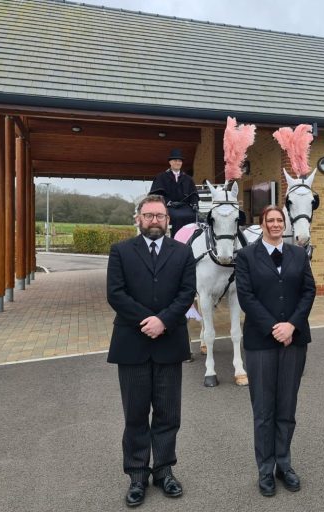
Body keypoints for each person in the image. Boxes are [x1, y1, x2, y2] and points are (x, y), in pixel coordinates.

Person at [106, 194, 197, 507]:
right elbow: (116, 293)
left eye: (160, 216)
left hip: (169, 343)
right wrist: (148, 321)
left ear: (168, 221)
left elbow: (187, 292)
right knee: (135, 415)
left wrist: (164, 321)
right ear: (138, 219)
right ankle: (136, 475)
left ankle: (164, 471)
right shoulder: (120, 251)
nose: (154, 220)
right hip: (132, 343)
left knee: (168, 414)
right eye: (148, 215)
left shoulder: (183, 252)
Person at [235, 205, 316, 497]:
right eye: (270, 220)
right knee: (263, 410)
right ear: (263, 224)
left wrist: (292, 325)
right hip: (261, 342)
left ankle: (284, 463)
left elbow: (309, 291)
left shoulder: (298, 254)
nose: (275, 224)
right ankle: (265, 469)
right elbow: (246, 296)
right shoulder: (246, 256)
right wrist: (274, 327)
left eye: (279, 220)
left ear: (285, 224)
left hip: (294, 340)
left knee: (287, 408)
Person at [150, 149, 199, 237]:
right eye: (175, 160)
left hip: (185, 206)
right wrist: (168, 202)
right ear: (170, 162)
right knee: (177, 217)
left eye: (180, 161)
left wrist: (195, 204)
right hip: (168, 206)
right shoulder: (161, 177)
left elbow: (193, 194)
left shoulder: (188, 178)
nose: (178, 163)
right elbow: (157, 195)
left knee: (195, 216)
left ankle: (192, 240)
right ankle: (176, 240)